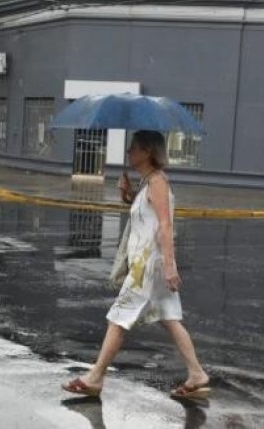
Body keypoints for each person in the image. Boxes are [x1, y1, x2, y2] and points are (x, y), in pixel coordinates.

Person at [62, 131, 209, 399]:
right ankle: (196, 372)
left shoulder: (158, 183)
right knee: (169, 318)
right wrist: (128, 195)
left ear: (147, 152)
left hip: (148, 266)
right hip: (149, 263)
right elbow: (148, 216)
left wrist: (169, 265)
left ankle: (95, 377)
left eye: (134, 148)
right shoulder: (149, 182)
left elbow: (165, 224)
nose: (129, 152)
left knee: (118, 318)